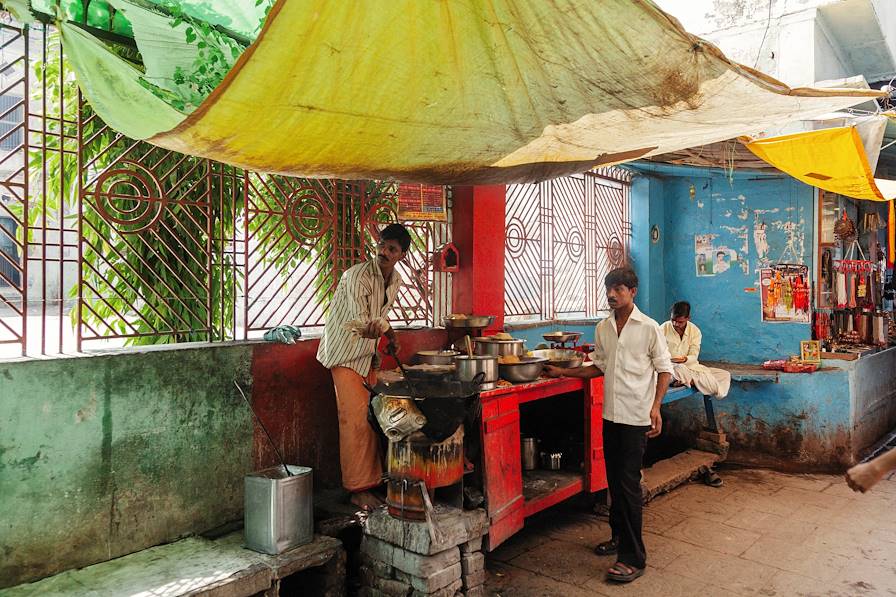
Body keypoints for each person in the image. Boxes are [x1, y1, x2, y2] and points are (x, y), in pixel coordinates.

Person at [545, 267, 672, 584]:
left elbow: (665, 370)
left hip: (635, 418)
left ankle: (633, 558)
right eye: (608, 289)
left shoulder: (649, 327)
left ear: (633, 291)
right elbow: (598, 367)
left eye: (618, 288)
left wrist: (656, 408)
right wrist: (563, 374)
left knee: (628, 487)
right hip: (611, 415)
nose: (612, 294)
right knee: (614, 482)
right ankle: (618, 537)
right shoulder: (603, 328)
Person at [316, 223, 411, 510]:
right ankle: (358, 489)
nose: (384, 251)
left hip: (365, 355)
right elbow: (363, 323)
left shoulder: (395, 281)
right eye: (382, 244)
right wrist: (390, 335)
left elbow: (379, 319)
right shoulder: (355, 276)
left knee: (370, 420)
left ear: (401, 255)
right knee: (355, 423)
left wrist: (385, 343)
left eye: (392, 248)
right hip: (344, 353)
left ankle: (371, 482)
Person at [659, 301, 731, 399]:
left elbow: (694, 355)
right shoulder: (663, 328)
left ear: (688, 318)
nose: (675, 324)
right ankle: (692, 381)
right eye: (673, 320)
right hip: (671, 368)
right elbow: (657, 353)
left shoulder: (695, 331)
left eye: (680, 322)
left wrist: (684, 360)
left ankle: (689, 381)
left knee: (724, 375)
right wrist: (672, 361)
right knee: (678, 369)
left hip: (690, 367)